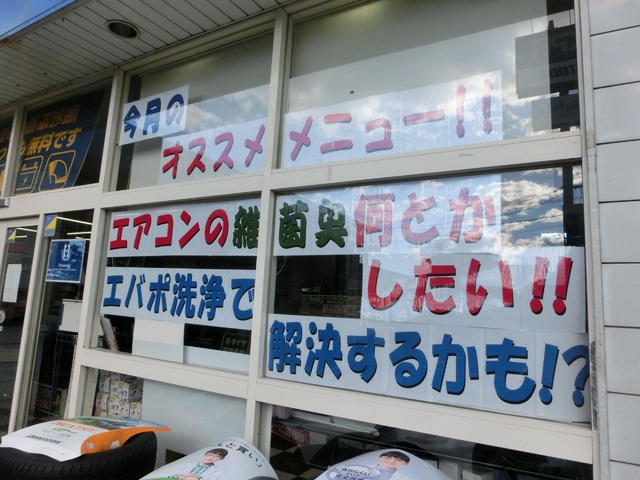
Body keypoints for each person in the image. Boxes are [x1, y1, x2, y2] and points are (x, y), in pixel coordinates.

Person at [164, 448, 229, 480]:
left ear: (221, 458)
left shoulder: (219, 473)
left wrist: (198, 479)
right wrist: (177, 476)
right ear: (204, 454)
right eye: (209, 454)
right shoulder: (185, 465)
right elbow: (165, 474)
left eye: (216, 456)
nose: (210, 457)